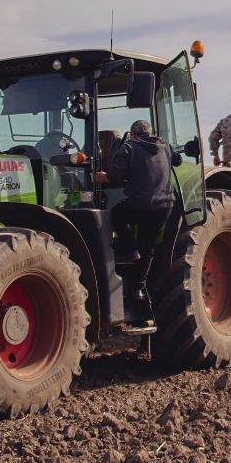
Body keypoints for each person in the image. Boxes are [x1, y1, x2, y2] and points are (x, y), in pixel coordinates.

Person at [96, 120, 179, 329]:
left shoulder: (129, 146)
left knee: (115, 216)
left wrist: (101, 176)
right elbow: (176, 160)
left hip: (140, 205)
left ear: (133, 134)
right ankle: (139, 287)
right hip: (164, 207)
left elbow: (116, 175)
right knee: (148, 246)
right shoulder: (165, 146)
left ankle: (129, 248)